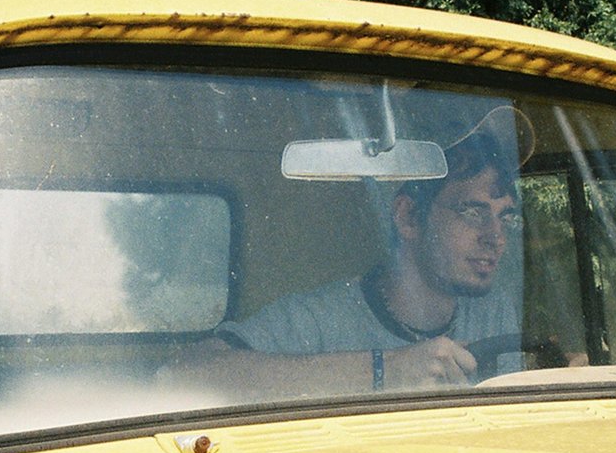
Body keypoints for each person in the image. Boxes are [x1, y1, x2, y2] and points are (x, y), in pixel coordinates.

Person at [177, 130, 522, 394]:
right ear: (408, 217)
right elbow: (182, 376)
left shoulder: (493, 312)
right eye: (472, 212)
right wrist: (385, 370)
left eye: (504, 217)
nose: (496, 238)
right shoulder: (317, 321)